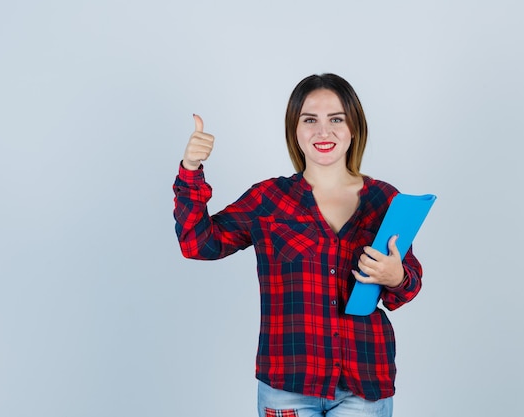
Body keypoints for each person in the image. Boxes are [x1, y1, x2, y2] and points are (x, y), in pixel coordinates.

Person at [173, 73, 423, 417]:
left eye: (336, 119)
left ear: (354, 128)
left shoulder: (385, 199)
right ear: (295, 129)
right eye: (310, 120)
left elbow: (407, 285)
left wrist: (396, 277)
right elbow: (197, 244)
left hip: (364, 385)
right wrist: (191, 169)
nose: (324, 132)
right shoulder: (268, 199)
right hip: (287, 387)